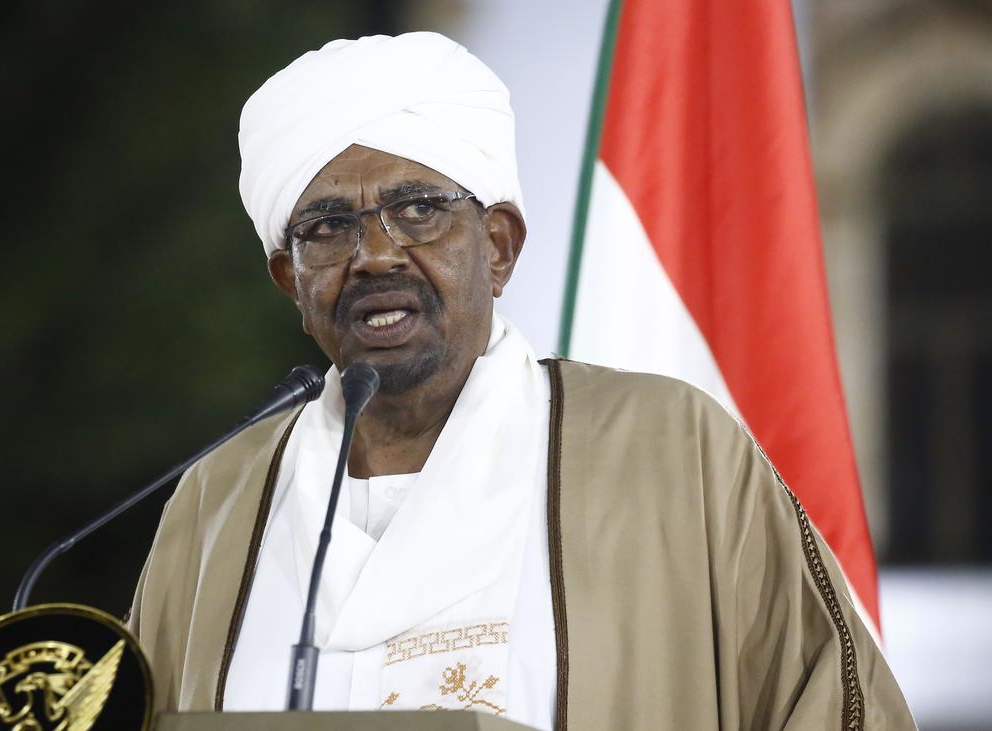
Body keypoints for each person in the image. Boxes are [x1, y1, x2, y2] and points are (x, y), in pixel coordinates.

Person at [128, 32, 915, 730]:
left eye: (418, 209)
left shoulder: (672, 450)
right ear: (291, 282)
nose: (375, 255)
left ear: (498, 246)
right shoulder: (215, 504)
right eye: (328, 227)